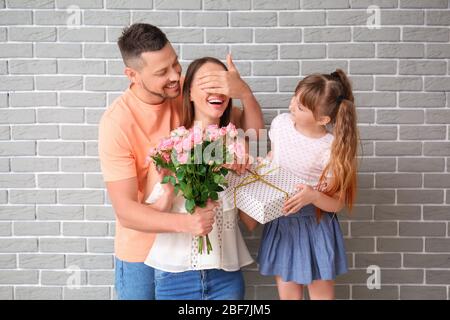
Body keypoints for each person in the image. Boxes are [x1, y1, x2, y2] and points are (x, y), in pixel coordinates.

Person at [98, 23, 264, 300]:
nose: (175, 76)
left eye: (175, 63)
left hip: (199, 254)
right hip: (141, 249)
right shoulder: (117, 122)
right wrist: (187, 223)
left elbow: (249, 133)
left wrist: (243, 92)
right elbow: (126, 211)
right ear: (132, 75)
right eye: (162, 72)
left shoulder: (186, 90)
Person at [144, 57, 258, 300]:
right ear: (190, 94)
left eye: (223, 85)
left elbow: (251, 221)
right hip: (174, 276)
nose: (217, 91)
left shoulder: (236, 146)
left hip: (225, 276)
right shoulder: (171, 145)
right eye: (208, 83)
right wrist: (170, 189)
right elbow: (151, 217)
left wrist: (252, 175)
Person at [257, 69, 359, 300]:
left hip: (316, 225)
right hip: (282, 221)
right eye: (295, 97)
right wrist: (263, 164)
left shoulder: (330, 148)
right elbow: (277, 155)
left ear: (323, 119)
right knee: (288, 296)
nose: (292, 105)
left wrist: (313, 196)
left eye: (301, 107)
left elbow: (337, 204)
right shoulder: (281, 123)